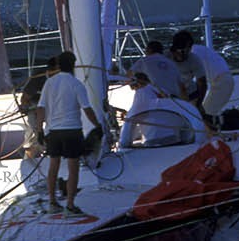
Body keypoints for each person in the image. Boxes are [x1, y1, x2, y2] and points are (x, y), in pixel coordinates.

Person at [38, 52, 102, 214]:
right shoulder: (76, 84)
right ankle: (70, 205)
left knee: (53, 166)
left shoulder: (49, 83)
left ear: (59, 65)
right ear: (73, 65)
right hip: (72, 131)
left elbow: (41, 108)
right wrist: (97, 125)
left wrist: (39, 130)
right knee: (73, 169)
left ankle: (52, 202)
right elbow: (87, 109)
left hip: (53, 131)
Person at [117, 72, 203, 148]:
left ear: (137, 84)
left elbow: (137, 117)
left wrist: (125, 142)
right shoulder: (161, 91)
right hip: (174, 138)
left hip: (153, 141)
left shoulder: (141, 93)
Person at [170, 29, 234, 126]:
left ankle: (213, 130)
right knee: (204, 113)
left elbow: (197, 81)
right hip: (224, 79)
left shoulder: (193, 55)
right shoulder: (196, 49)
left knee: (203, 115)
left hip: (222, 82)